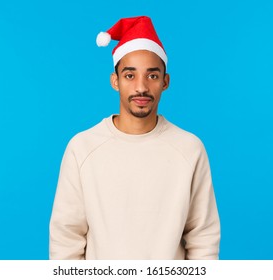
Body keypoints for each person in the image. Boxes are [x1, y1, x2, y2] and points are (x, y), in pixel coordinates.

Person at [49, 16, 220, 260]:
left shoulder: (189, 149)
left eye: (152, 76)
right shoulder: (82, 148)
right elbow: (66, 239)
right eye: (130, 75)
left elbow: (203, 237)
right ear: (115, 81)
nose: (141, 87)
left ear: (165, 82)